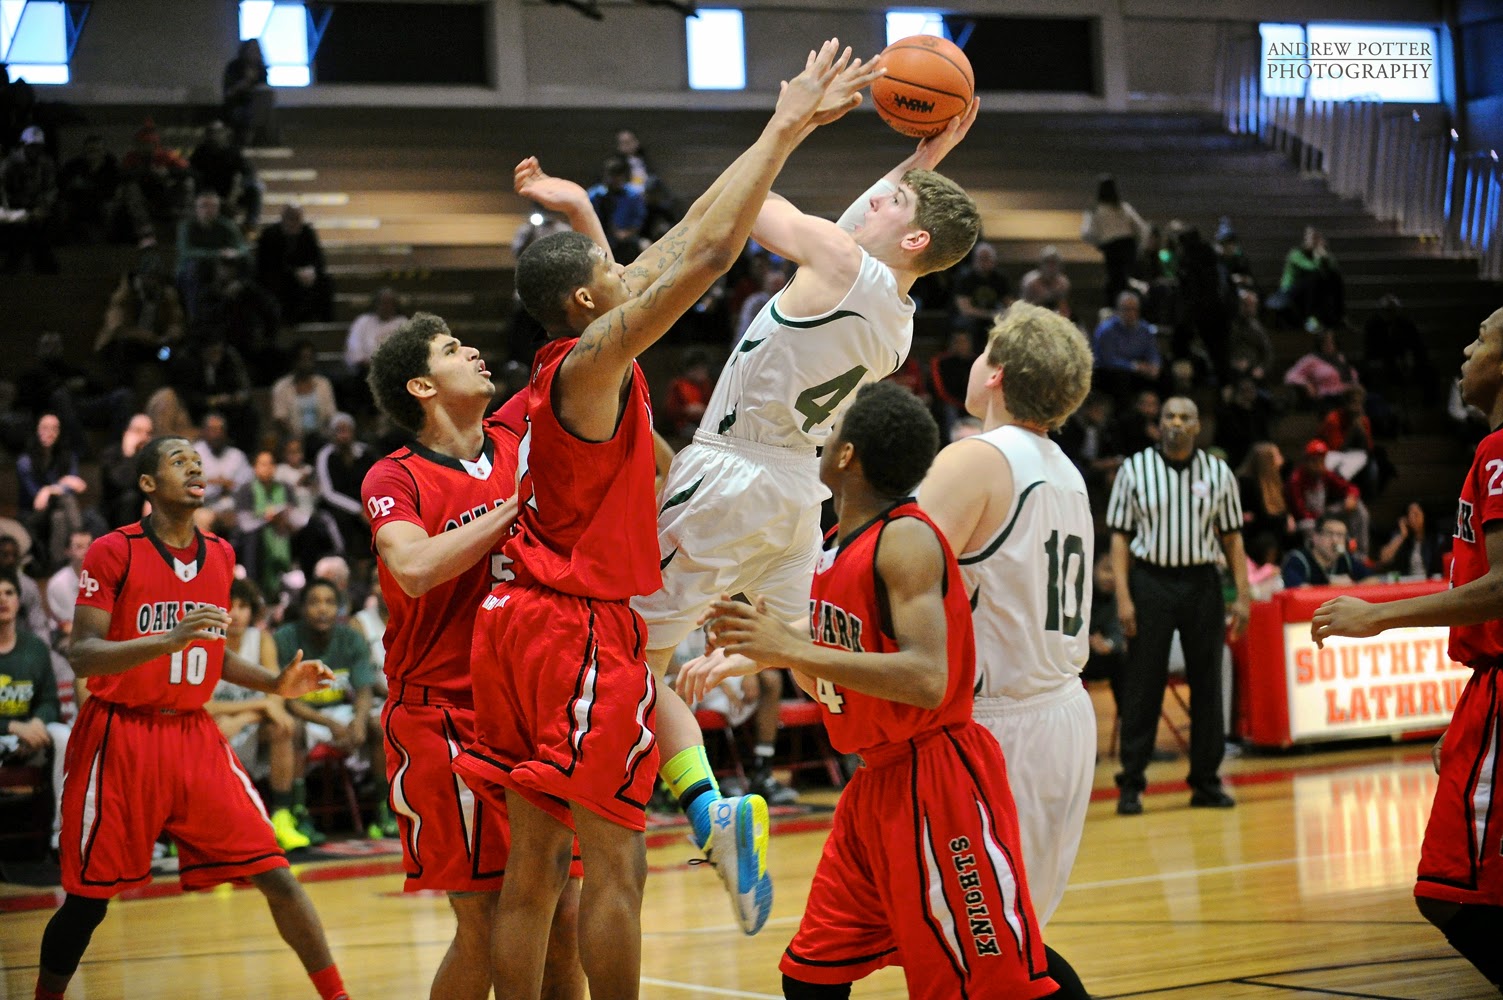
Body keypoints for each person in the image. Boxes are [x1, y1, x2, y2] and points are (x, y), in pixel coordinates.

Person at [452, 44, 857, 999]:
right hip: (571, 632)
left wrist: (582, 214)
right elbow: (711, 254)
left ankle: (708, 808)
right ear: (590, 302)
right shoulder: (590, 366)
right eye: (609, 264)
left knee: (535, 875)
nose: (632, 266)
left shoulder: (562, 369)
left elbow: (684, 237)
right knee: (615, 867)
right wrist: (785, 122)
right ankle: (710, 814)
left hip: (516, 627)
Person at [678, 381, 1083, 1000]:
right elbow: (836, 665)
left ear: (847, 457)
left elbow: (927, 678)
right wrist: (757, 647)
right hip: (875, 786)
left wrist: (788, 647)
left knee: (995, 981)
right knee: (811, 975)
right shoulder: (838, 549)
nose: (825, 435)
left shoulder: (908, 539)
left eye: (834, 429)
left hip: (936, 780)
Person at [33, 435, 350, 1000]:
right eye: (179, 461)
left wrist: (276, 682)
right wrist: (165, 639)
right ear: (149, 485)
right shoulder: (113, 551)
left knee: (276, 872)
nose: (195, 466)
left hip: (192, 735)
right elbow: (82, 652)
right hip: (119, 733)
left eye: (199, 461)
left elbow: (214, 652)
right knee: (87, 902)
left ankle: (337, 996)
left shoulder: (222, 555)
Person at [362, 313, 583, 1000]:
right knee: (486, 926)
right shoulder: (393, 477)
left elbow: (593, 354)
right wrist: (512, 511)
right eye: (454, 349)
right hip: (441, 719)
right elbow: (416, 567)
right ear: (423, 385)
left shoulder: (517, 433)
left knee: (564, 918)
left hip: (527, 711)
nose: (476, 350)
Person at [1310, 306, 1503, 994]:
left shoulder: (1499, 451)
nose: (1463, 347)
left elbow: (1501, 589)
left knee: (1449, 889)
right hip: (1487, 691)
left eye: (1480, 337)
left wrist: (1378, 618)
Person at [916, 300, 1095, 928]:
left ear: (996, 374)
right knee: (1017, 937)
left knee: (974, 946)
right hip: (1065, 716)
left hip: (1001, 729)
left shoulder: (975, 458)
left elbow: (879, 572)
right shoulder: (1068, 472)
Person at [1105, 396, 1250, 815]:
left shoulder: (1217, 472)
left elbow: (1233, 538)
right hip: (1150, 580)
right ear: (1159, 423)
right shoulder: (1135, 469)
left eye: (1185, 417)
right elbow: (1118, 537)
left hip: (1202, 582)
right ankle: (1131, 783)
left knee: (1208, 683)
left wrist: (1243, 595)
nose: (1176, 423)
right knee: (1143, 684)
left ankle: (1206, 781)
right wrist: (1124, 597)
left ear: (1197, 425)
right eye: (1169, 416)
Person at [205, 578, 304, 850]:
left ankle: (283, 818)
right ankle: (209, 825)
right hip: (210, 729)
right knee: (208, 730)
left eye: (243, 606)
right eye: (228, 605)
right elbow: (204, 705)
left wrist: (244, 717)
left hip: (243, 725)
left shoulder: (260, 639)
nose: (235, 613)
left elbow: (275, 697)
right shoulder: (205, 639)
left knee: (283, 728)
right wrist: (258, 707)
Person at [0, 567, 68, 852]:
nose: (2, 599)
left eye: (8, 592)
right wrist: (12, 727)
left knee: (65, 735)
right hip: (7, 732)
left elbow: (49, 700)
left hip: (32, 732)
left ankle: (61, 833)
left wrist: (39, 722)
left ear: (18, 600)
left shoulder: (36, 648)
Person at [1081, 174, 1149, 307]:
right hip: (1128, 247)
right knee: (1125, 282)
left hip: (1112, 249)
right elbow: (1142, 228)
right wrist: (1140, 247)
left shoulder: (1096, 211)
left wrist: (1099, 243)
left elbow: (1086, 234)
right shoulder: (1124, 208)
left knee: (1117, 283)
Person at [1281, 515, 1372, 588]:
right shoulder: (1298, 559)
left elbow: (1373, 579)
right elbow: (1297, 590)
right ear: (1315, 537)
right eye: (1329, 534)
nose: (1335, 540)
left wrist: (1352, 586)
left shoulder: (1345, 559)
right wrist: (1332, 587)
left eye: (1340, 535)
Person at [1376, 501, 1445, 579]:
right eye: (1410, 515)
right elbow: (1384, 559)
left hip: (1429, 582)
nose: (1413, 518)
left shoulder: (1436, 539)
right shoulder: (1402, 536)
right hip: (1407, 582)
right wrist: (1402, 536)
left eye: (1416, 514)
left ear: (1424, 515)